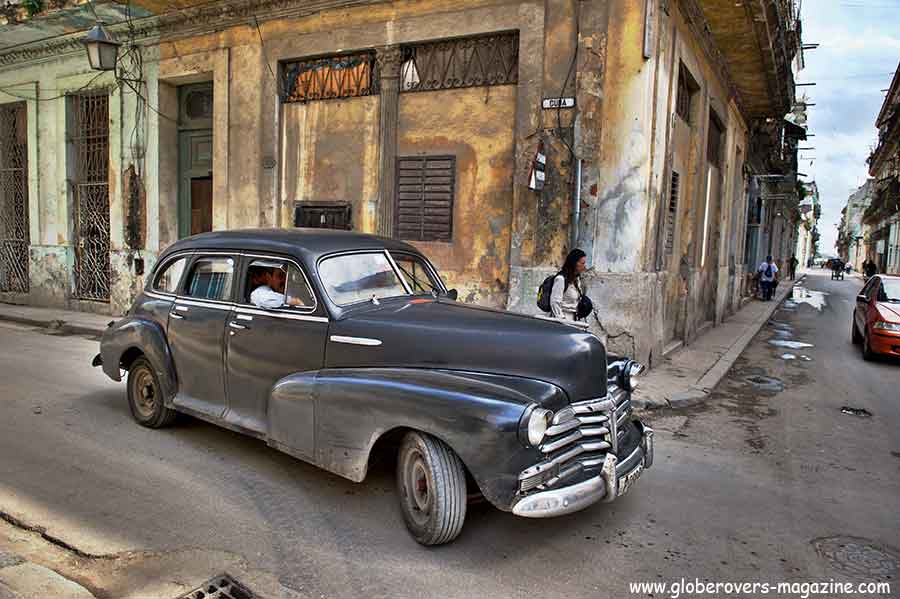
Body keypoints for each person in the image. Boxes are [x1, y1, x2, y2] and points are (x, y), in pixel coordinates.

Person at [550, 249, 587, 321]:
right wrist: (561, 320)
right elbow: (554, 303)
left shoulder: (576, 280)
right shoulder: (561, 279)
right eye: (582, 263)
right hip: (563, 319)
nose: (584, 266)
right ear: (574, 263)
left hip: (574, 318)